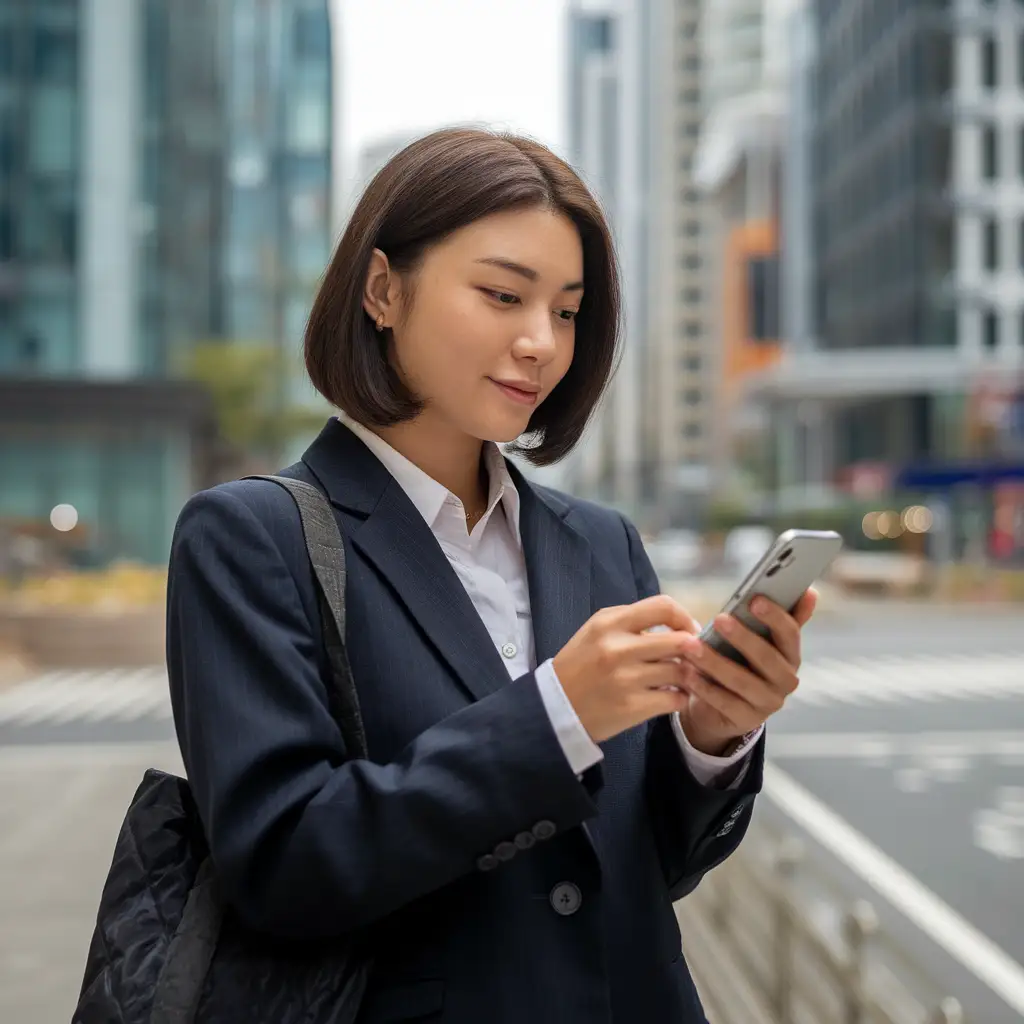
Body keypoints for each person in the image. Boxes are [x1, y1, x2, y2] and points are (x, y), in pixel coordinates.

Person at [166, 127, 817, 1024]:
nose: (541, 342)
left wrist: (710, 740)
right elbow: (283, 865)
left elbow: (646, 869)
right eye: (504, 294)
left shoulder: (600, 542)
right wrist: (556, 716)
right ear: (384, 289)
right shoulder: (250, 537)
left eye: (566, 309)